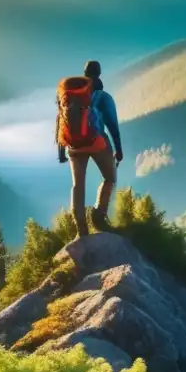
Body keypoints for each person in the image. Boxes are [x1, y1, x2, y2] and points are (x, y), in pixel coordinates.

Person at [58, 60, 123, 238]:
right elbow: (112, 124)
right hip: (96, 143)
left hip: (73, 146)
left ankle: (81, 231)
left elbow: (61, 120)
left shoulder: (68, 93)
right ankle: (98, 215)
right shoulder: (102, 95)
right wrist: (118, 149)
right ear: (99, 73)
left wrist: (61, 151)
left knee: (77, 185)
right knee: (110, 177)